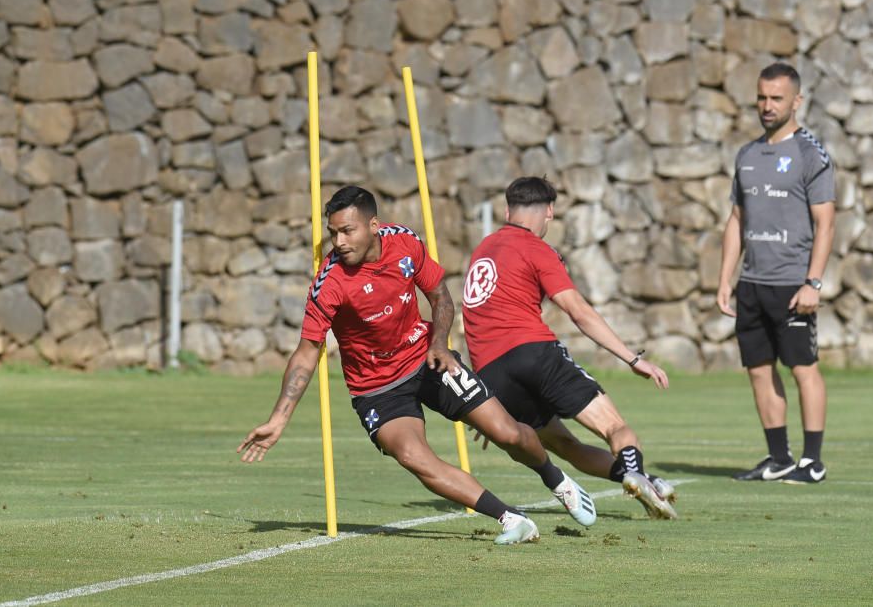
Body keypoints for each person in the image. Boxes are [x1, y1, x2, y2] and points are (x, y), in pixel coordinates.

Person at [237, 185, 596, 546]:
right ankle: (510, 518)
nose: (339, 241)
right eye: (333, 233)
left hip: (428, 358)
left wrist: (440, 343)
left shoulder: (404, 243)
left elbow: (440, 296)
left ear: (373, 225)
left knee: (508, 433)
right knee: (412, 455)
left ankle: (555, 479)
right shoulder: (329, 283)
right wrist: (279, 419)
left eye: (348, 231)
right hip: (376, 388)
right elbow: (306, 352)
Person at [461, 176, 678, 520]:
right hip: (534, 353)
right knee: (614, 428)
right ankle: (636, 471)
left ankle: (640, 479)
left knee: (565, 445)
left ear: (506, 211)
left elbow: (475, 316)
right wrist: (633, 359)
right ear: (549, 211)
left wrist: (486, 402)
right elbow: (578, 311)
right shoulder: (537, 248)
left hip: (493, 374)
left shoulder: (483, 250)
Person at [717, 62, 835, 484]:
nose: (767, 106)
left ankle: (812, 462)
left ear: (796, 101)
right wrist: (725, 278)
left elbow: (826, 223)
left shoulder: (810, 154)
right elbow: (736, 220)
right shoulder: (747, 154)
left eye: (776, 98)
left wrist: (813, 281)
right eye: (762, 98)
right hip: (752, 284)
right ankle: (778, 457)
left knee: (803, 368)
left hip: (792, 284)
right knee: (759, 370)